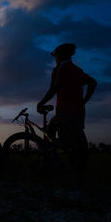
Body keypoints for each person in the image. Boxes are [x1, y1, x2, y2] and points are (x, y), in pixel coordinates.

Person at [37, 43, 97, 171]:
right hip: (79, 112)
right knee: (74, 143)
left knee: (51, 135)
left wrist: (41, 103)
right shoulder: (77, 70)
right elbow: (93, 82)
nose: (55, 59)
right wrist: (84, 101)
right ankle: (76, 169)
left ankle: (48, 164)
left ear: (59, 55)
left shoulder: (60, 69)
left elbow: (54, 88)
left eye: (56, 56)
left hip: (64, 112)